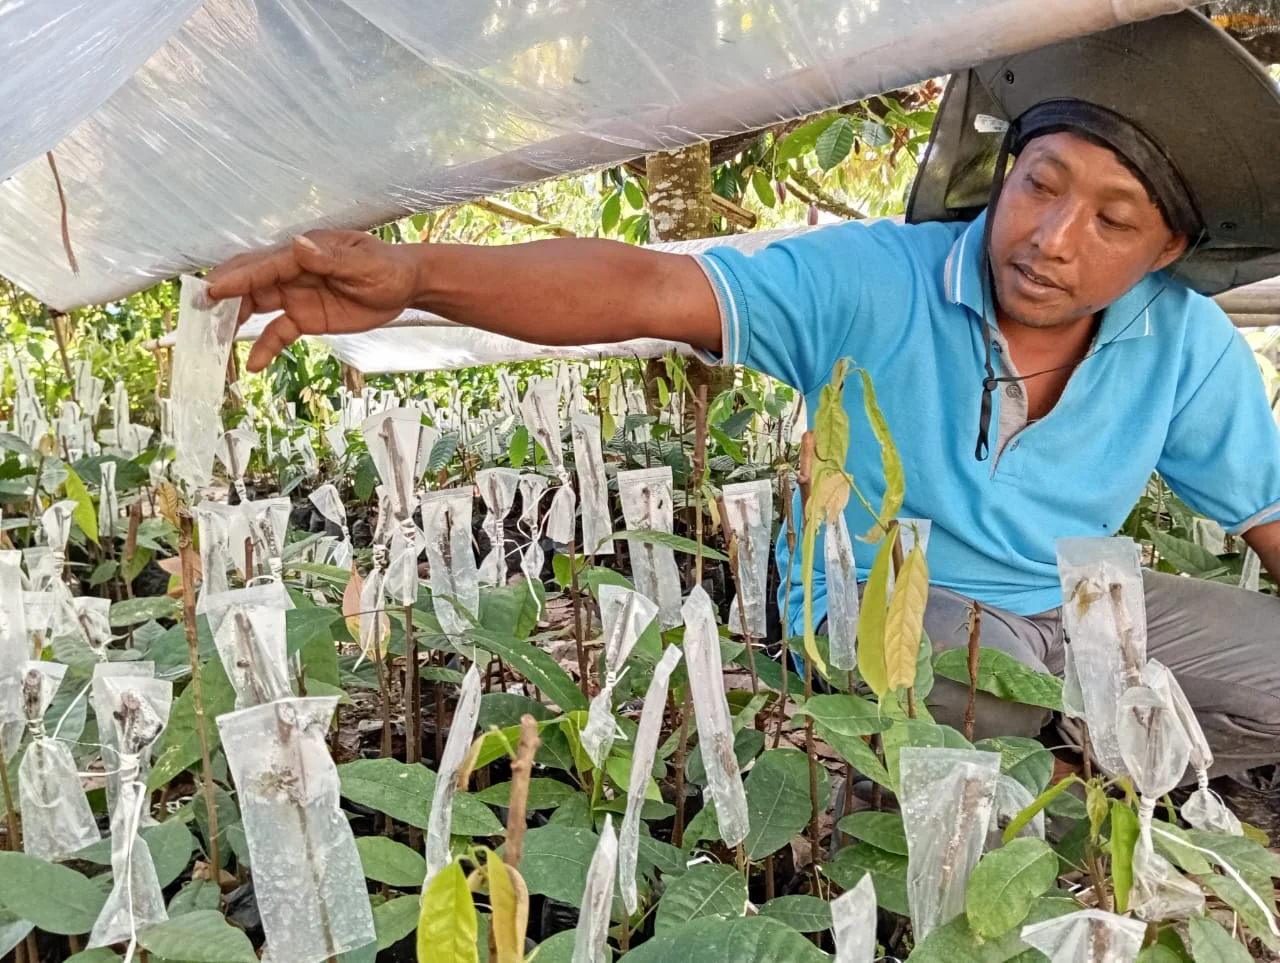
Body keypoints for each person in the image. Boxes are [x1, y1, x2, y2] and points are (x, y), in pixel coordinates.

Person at [208, 12, 1280, 779]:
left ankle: (1102, 770)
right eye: (1040, 184)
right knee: (979, 693)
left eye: (1111, 218)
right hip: (895, 601)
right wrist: (415, 278)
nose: (1052, 238)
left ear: (1167, 248)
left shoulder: (1181, 344)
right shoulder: (873, 280)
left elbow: (1266, 516)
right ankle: (1016, 782)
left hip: (1078, 614)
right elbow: (648, 283)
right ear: (1004, 174)